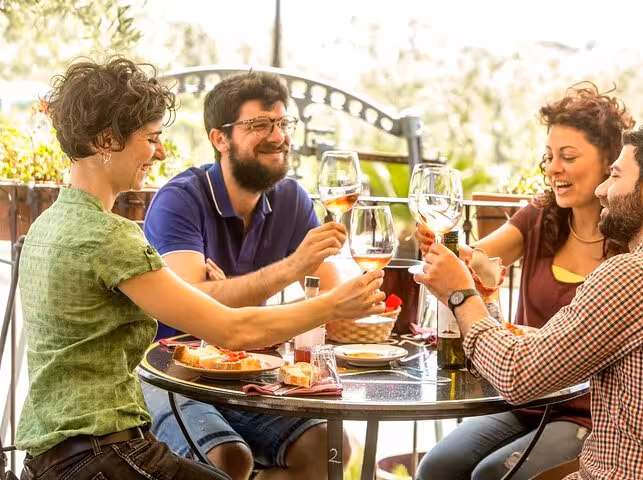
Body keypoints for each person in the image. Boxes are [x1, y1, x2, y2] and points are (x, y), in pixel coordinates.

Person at [15, 57, 385, 480]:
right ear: (106, 140)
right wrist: (332, 305)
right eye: (151, 138)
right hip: (104, 456)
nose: (160, 152)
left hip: (55, 458)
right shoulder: (108, 235)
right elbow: (231, 331)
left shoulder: (49, 224)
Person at [416, 122, 643, 479]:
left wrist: (461, 295)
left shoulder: (633, 274)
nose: (603, 190)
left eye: (616, 176)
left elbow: (516, 376)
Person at [415, 84, 634, 480]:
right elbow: (477, 256)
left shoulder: (630, 243)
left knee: (492, 474)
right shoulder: (539, 218)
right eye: (549, 157)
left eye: (568, 157)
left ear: (608, 162)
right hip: (524, 398)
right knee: (437, 466)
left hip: (588, 414)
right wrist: (448, 249)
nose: (553, 168)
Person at [140, 71, 351, 480]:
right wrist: (290, 271)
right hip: (173, 370)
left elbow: (334, 303)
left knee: (328, 447)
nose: (278, 136)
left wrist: (233, 296)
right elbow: (191, 306)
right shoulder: (180, 199)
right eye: (259, 125)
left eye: (283, 123)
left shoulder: (291, 199)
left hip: (250, 371)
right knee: (229, 459)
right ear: (220, 138)